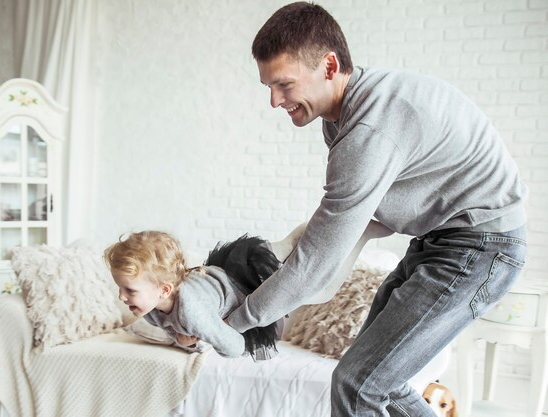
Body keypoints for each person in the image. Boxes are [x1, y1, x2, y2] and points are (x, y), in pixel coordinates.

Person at [223, 2, 528, 416]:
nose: (274, 101)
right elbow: (358, 224)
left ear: (329, 66)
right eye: (268, 87)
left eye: (284, 85)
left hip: (481, 246)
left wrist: (233, 325)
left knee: (357, 384)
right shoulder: (345, 115)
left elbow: (316, 261)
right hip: (445, 240)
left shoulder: (367, 130)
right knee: (381, 380)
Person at [104, 228, 303, 360]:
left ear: (164, 290)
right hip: (212, 282)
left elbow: (235, 347)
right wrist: (182, 340)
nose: (121, 297)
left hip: (242, 283)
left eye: (130, 290)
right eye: (121, 288)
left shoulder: (192, 313)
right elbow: (175, 331)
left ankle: (296, 241)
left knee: (276, 268)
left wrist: (211, 334)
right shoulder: (150, 310)